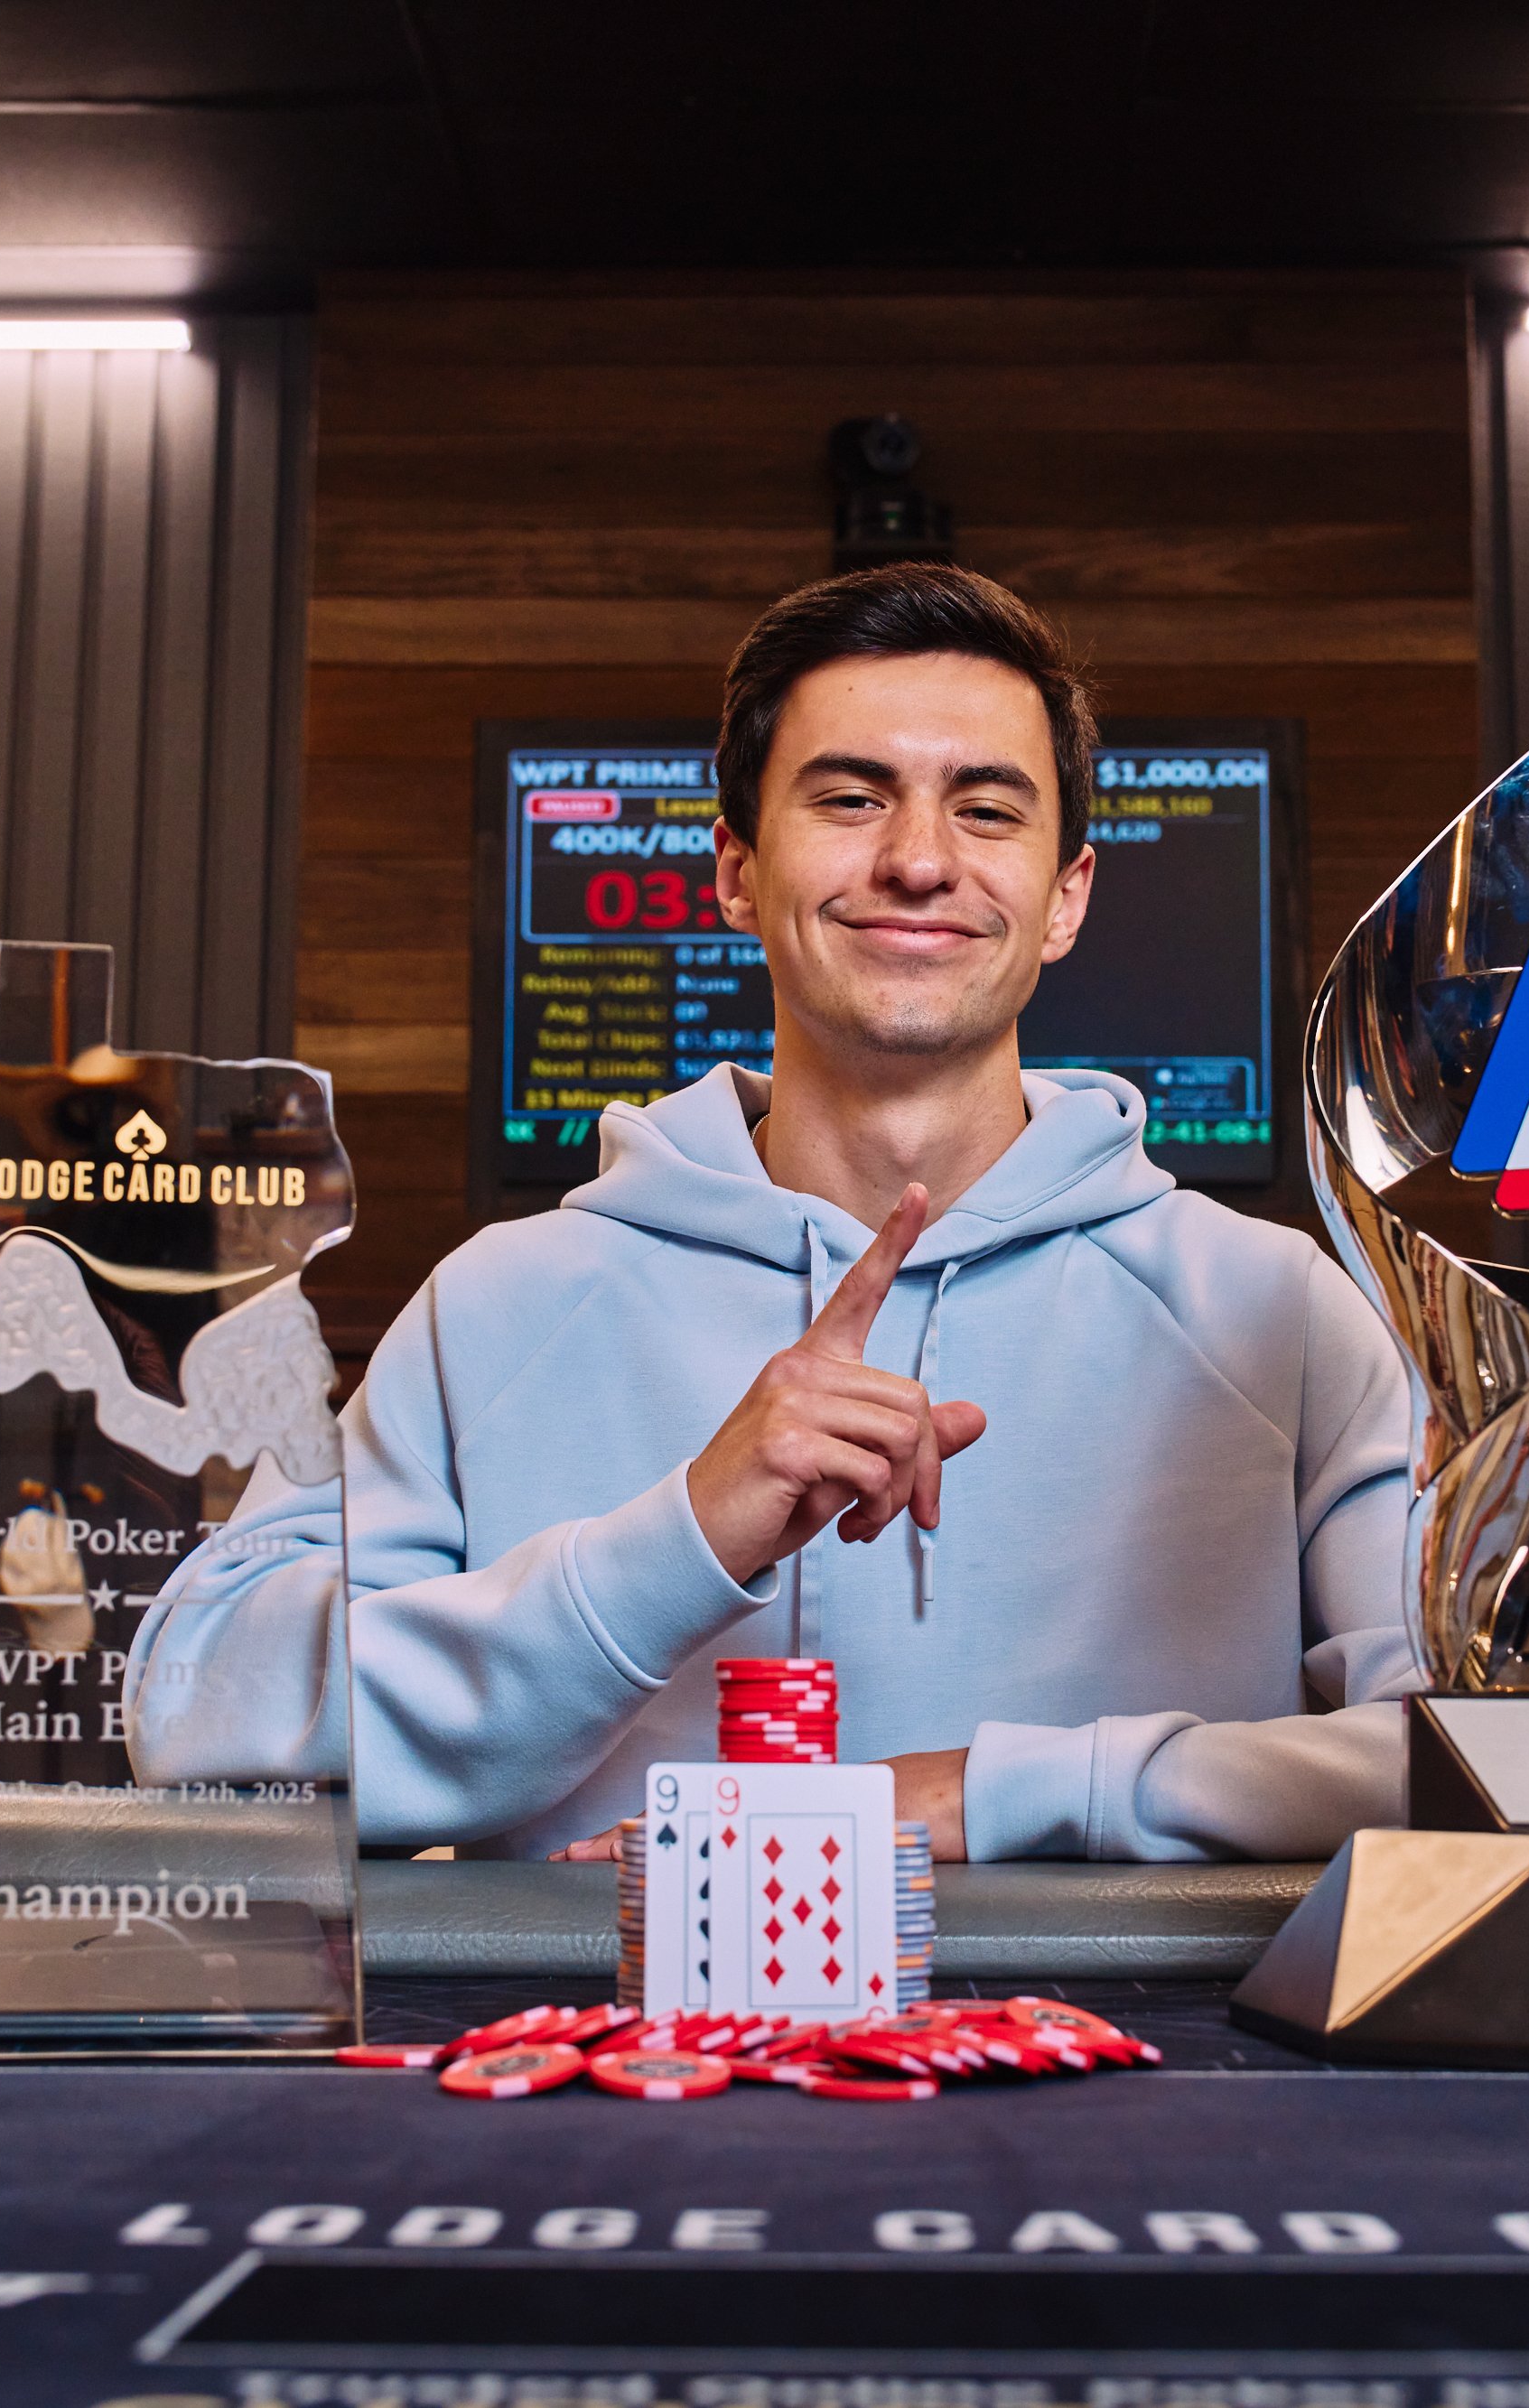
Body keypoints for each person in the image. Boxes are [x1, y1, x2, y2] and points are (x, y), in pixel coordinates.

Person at [124, 563, 1416, 1860]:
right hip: (609, 2060)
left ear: (1065, 895)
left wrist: (991, 1795)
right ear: (737, 873)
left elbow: (1488, 1755)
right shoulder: (496, 1306)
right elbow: (193, 1714)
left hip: (1154, 2065)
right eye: (851, 800)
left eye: (986, 809)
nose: (918, 860)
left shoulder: (1277, 1316)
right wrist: (679, 1537)